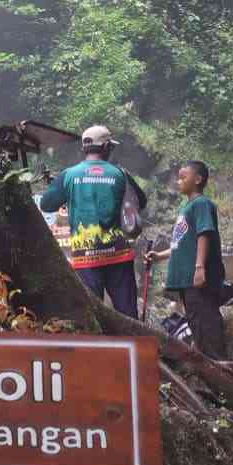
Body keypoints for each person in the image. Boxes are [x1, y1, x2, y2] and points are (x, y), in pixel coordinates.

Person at [39, 125, 145, 319]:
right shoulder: (119, 174)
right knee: (128, 314)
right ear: (106, 146)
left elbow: (46, 205)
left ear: (84, 148)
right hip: (118, 256)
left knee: (91, 315)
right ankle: (134, 347)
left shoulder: (69, 175)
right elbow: (140, 202)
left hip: (85, 257)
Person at [145, 160, 227, 359]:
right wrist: (159, 256)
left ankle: (220, 366)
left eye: (183, 177)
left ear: (198, 179)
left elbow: (204, 235)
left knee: (206, 321)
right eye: (178, 177)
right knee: (196, 322)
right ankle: (208, 365)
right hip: (187, 280)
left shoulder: (201, 204)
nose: (178, 181)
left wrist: (199, 268)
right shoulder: (186, 206)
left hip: (197, 277)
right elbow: (181, 244)